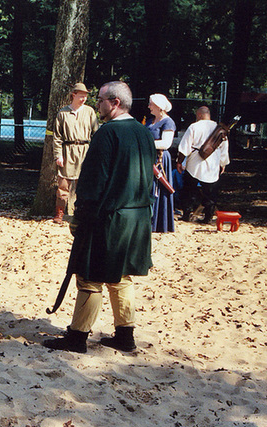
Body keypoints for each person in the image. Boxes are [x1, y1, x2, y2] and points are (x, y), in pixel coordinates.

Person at [42, 81, 156, 353]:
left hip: (108, 217)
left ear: (115, 102)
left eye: (102, 100)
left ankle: (77, 337)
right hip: (137, 217)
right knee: (120, 276)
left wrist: (80, 217)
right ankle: (125, 336)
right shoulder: (144, 133)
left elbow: (93, 182)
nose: (98, 105)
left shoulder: (108, 134)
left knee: (90, 277)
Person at [51, 82, 99, 224]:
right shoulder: (63, 113)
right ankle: (59, 213)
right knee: (63, 185)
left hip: (84, 151)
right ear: (74, 95)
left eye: (85, 96)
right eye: (81, 96)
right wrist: (58, 155)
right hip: (68, 151)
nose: (84, 98)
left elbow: (96, 134)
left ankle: (80, 212)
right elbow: (57, 137)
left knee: (84, 185)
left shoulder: (89, 112)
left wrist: (95, 155)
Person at [176, 106, 230, 224]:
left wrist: (179, 162)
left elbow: (184, 147)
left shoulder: (194, 127)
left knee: (189, 189)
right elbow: (224, 150)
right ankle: (208, 217)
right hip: (213, 163)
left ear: (199, 115)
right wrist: (223, 163)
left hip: (194, 163)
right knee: (210, 192)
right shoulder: (220, 129)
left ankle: (186, 214)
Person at [147, 93, 177, 233]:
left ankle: (159, 223)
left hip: (160, 159)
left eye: (151, 104)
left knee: (159, 188)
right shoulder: (150, 120)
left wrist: (146, 143)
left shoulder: (168, 122)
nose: (149, 107)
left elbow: (166, 143)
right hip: (148, 157)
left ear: (159, 107)